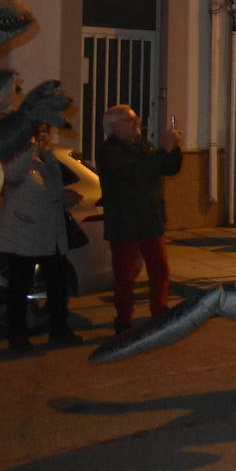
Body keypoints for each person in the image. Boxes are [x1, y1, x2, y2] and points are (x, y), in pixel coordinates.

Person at [97, 104, 182, 334]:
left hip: (150, 219)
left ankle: (160, 312)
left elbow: (167, 167)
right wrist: (162, 152)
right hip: (125, 222)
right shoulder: (109, 151)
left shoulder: (141, 145)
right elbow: (135, 173)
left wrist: (172, 149)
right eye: (130, 121)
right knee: (125, 275)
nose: (137, 125)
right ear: (114, 126)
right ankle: (123, 318)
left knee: (160, 270)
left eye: (136, 120)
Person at [0, 124, 81, 350]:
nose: (42, 136)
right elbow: (12, 178)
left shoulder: (48, 158)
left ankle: (59, 329)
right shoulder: (14, 156)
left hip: (50, 235)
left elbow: (49, 190)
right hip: (21, 234)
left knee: (58, 284)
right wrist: (29, 148)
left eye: (45, 131)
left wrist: (65, 196)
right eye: (37, 132)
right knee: (19, 286)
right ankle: (18, 337)